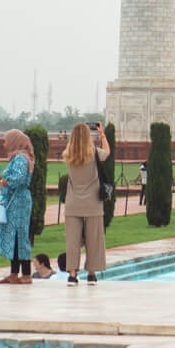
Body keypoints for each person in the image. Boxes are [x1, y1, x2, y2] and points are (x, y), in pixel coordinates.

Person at [61, 122, 112, 285]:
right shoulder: (94, 153)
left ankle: (72, 274)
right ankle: (91, 273)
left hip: (73, 202)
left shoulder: (68, 155)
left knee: (72, 241)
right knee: (94, 239)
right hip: (92, 202)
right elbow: (108, 152)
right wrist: (102, 134)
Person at [0, 129, 35, 282]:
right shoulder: (18, 158)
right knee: (14, 235)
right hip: (15, 200)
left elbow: (18, 179)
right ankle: (14, 273)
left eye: (6, 141)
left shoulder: (21, 158)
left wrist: (0, 182)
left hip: (18, 201)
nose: (4, 145)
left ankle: (26, 274)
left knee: (20, 236)